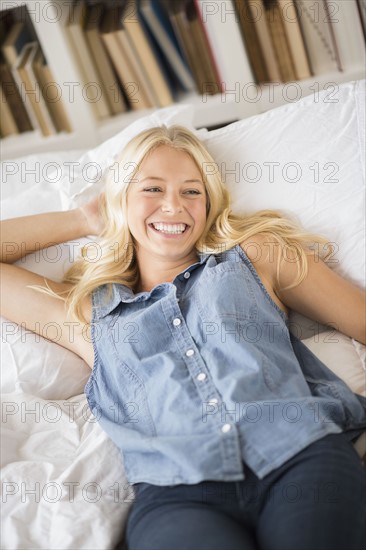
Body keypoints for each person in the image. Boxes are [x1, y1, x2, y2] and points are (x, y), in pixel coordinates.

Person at [1, 125, 365, 550]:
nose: (173, 206)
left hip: (299, 456)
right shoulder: (89, 314)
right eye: (152, 188)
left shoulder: (257, 256)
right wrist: (83, 219)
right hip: (178, 493)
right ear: (121, 198)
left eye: (192, 191)